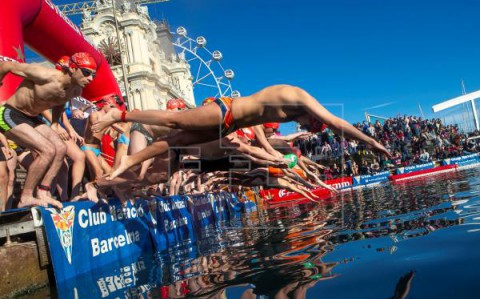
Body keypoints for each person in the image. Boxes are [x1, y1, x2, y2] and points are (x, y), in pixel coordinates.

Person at [92, 85, 391, 180]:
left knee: (177, 143)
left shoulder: (288, 110)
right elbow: (340, 124)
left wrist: (278, 151)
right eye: (305, 126)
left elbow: (264, 133)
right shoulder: (300, 98)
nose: (300, 127)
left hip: (229, 124)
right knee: (175, 122)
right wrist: (372, 142)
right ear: (311, 119)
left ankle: (129, 162)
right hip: (226, 110)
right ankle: (120, 114)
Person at [0, 52, 97, 208]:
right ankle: (25, 197)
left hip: (33, 118)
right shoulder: (44, 75)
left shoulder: (75, 90)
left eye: (93, 75)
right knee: (47, 150)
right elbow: (6, 65)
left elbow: (60, 101)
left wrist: (54, 123)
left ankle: (43, 192)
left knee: (60, 148)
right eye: (86, 73)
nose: (90, 79)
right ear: (73, 68)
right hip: (10, 113)